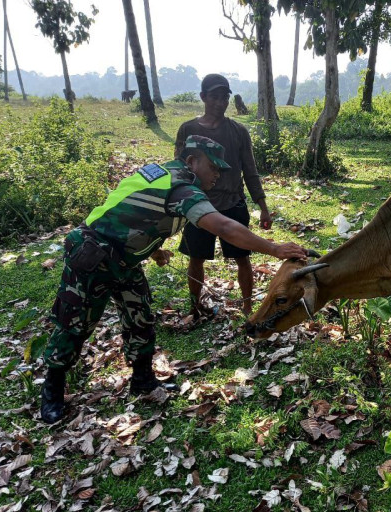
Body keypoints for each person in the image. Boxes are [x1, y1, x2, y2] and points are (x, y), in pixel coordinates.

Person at [39, 135, 307, 424]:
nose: (217, 174)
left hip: (124, 258)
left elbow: (135, 213)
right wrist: (274, 249)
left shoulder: (160, 173)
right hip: (92, 255)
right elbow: (223, 226)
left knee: (139, 316)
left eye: (220, 169)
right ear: (191, 161)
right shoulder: (181, 187)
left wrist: (152, 250)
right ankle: (52, 390)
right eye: (213, 167)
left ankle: (142, 379)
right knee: (75, 324)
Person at [175, 73, 270, 318]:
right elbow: (179, 169)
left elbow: (250, 170)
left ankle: (248, 306)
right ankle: (195, 306)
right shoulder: (188, 129)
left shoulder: (238, 131)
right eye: (214, 97)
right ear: (203, 97)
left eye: (224, 97)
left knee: (242, 257)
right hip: (198, 206)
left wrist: (263, 205)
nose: (220, 102)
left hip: (232, 202)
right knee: (196, 259)